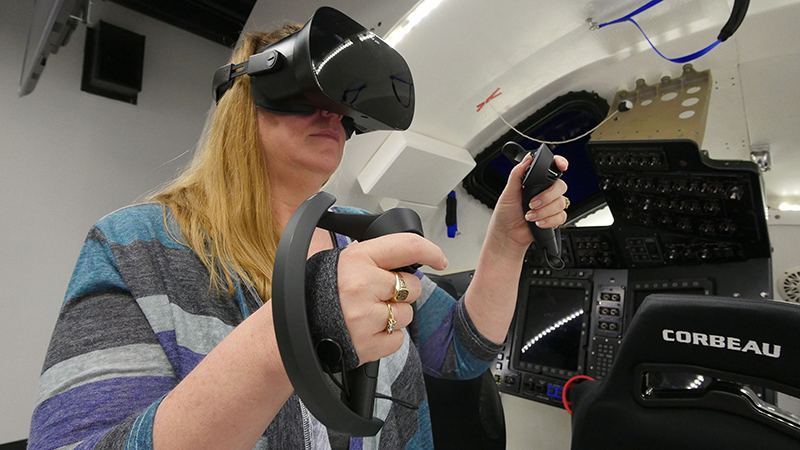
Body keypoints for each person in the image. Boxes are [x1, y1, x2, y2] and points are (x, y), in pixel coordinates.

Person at [28, 21, 569, 450]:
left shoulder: (360, 241)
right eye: (310, 93)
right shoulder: (134, 247)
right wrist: (297, 326)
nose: (333, 114)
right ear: (248, 97)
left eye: (343, 105)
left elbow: (461, 351)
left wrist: (504, 243)